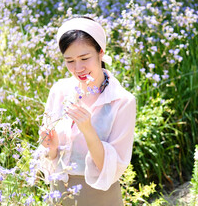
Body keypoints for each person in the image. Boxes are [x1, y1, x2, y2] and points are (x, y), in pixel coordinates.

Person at [38, 16, 136, 206]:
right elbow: (49, 158)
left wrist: (87, 128)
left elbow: (111, 169)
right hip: (58, 193)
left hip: (98, 197)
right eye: (70, 61)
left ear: (101, 52)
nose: (78, 68)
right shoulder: (60, 91)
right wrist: (51, 149)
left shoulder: (122, 101)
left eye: (84, 58)